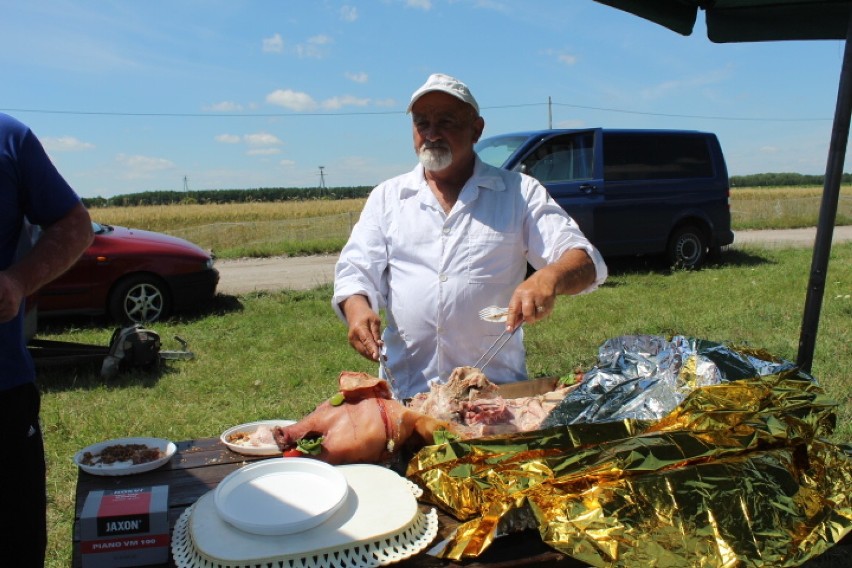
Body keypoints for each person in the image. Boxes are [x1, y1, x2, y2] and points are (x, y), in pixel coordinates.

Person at [333, 74, 608, 400]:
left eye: (445, 121)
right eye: (422, 123)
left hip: (494, 397)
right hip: (406, 396)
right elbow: (355, 270)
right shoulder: (388, 197)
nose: (431, 134)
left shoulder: (518, 192)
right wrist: (357, 310)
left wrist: (549, 277)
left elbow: (584, 260)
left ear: (476, 129)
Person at [0, 112, 94, 567]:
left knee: (17, 547)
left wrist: (18, 282)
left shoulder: (8, 137)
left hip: (2, 392)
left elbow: (74, 225)